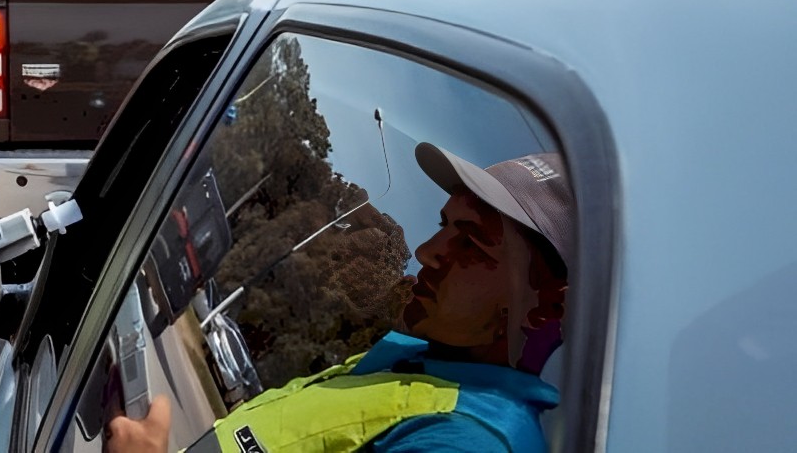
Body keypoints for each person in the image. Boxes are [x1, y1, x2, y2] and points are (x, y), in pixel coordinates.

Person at [107, 143, 574, 453]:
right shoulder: (413, 367)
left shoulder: (466, 442)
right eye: (442, 227)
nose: (427, 253)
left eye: (471, 244)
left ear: (550, 307)